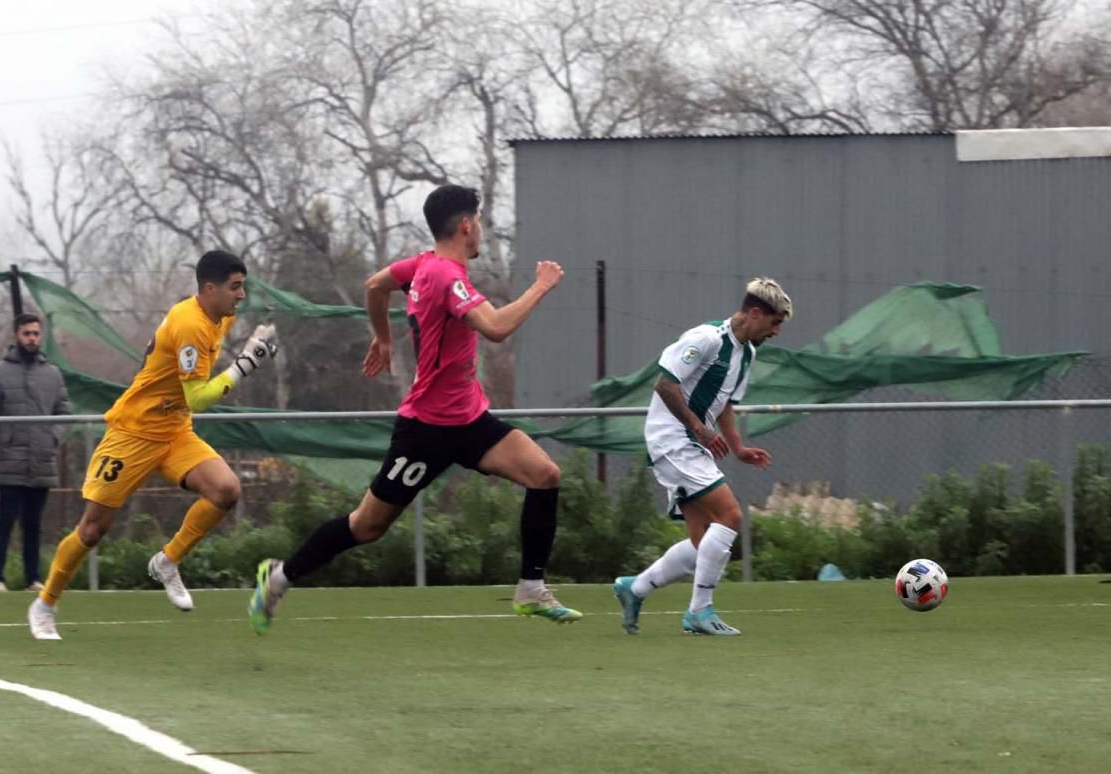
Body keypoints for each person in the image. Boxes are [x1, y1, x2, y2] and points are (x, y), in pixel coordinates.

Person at [247, 183, 580, 634]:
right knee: (366, 526)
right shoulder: (445, 276)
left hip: (469, 419)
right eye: (478, 221)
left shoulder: (420, 266)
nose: (480, 229)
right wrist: (541, 285)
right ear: (466, 225)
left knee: (545, 475)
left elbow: (375, 285)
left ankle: (530, 588)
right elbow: (497, 327)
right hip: (426, 429)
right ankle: (279, 577)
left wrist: (383, 336)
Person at [27, 250, 278, 640]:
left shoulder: (221, 315)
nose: (242, 295)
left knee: (226, 491)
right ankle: (45, 603)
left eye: (243, 286)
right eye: (235, 287)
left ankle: (167, 561)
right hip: (133, 432)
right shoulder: (190, 324)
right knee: (93, 530)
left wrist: (253, 342)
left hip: (174, 431)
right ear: (209, 289)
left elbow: (188, 402)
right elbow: (197, 397)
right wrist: (244, 364)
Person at [612, 278, 792, 636]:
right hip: (672, 439)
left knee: (703, 542)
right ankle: (699, 611)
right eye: (774, 323)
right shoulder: (707, 339)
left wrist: (737, 447)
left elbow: (725, 404)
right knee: (731, 515)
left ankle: (635, 588)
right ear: (755, 313)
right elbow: (665, 385)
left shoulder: (747, 354)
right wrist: (698, 428)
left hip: (691, 441)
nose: (776, 332)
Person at [0, 313, 72, 593]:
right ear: (16, 335)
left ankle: (33, 578)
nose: (31, 338)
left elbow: (64, 413)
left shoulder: (52, 373)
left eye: (35, 333)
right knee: (5, 520)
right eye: (26, 333)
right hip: (10, 458)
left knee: (34, 524)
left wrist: (52, 438)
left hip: (42, 461)